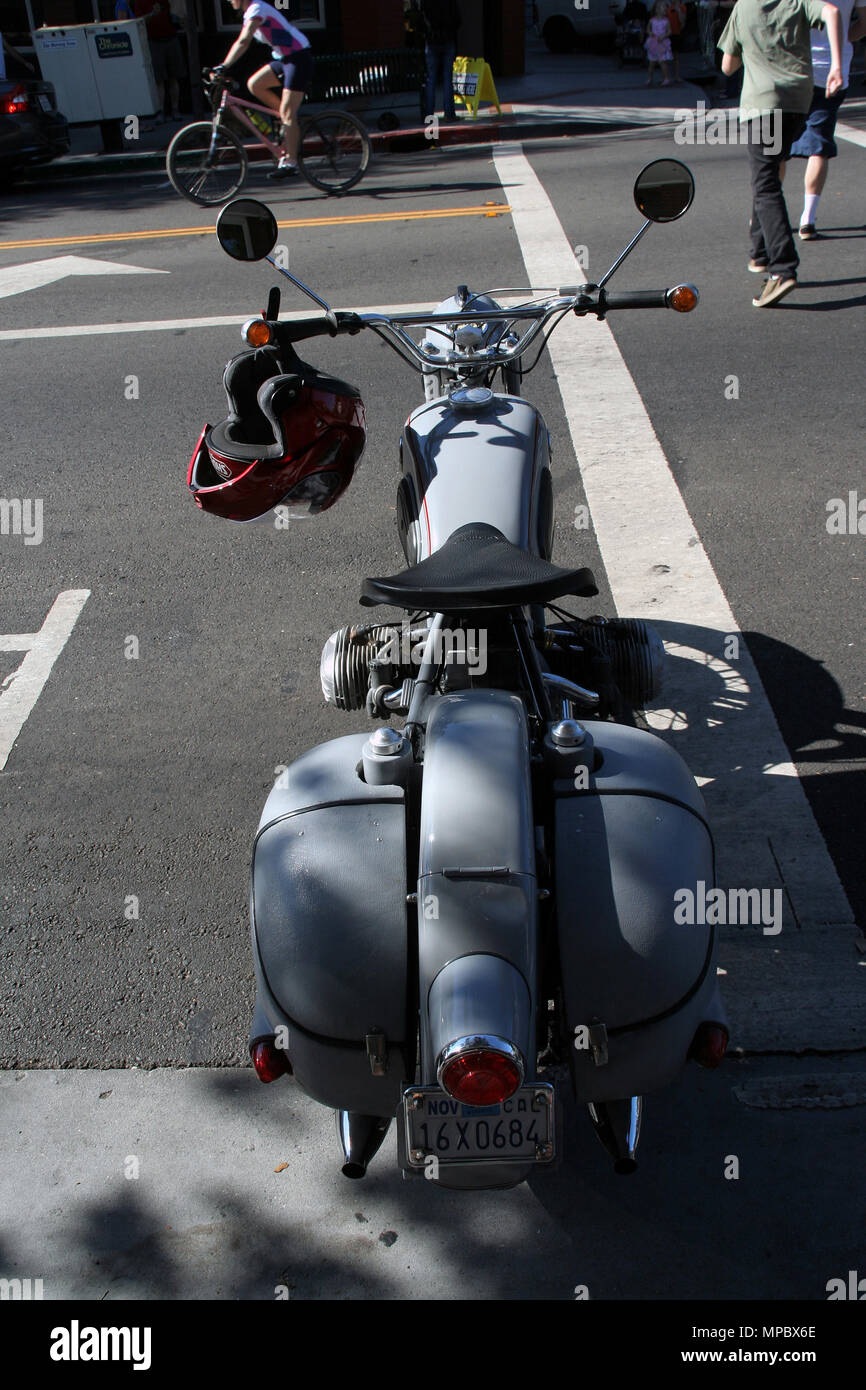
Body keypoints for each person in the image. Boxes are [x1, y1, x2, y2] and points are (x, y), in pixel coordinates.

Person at [718, 0, 843, 307]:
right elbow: (833, 12)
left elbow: (727, 65)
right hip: (798, 103)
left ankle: (782, 269)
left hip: (764, 107)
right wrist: (837, 65)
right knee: (769, 176)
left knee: (765, 185)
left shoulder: (743, 8)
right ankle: (759, 254)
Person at [789, 2, 866, 237]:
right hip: (832, 71)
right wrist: (842, 40)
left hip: (794, 68)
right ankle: (808, 218)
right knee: (819, 144)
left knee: (776, 146)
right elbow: (864, 24)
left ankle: (764, 214)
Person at [211, 0, 311, 179]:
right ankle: (287, 119)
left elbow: (243, 41)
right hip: (283, 59)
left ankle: (291, 163)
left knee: (288, 114)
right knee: (255, 84)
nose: (229, 1)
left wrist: (224, 66)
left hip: (298, 58)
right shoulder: (250, 12)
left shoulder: (256, 9)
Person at [412, 0, 461, 125]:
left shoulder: (425, 2)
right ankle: (449, 114)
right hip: (447, 40)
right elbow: (458, 20)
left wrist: (427, 32)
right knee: (447, 78)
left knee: (431, 79)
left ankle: (429, 115)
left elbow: (419, 21)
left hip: (432, 41)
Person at [136, 0, 184, 121]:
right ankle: (160, 111)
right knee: (159, 79)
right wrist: (152, 14)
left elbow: (177, 12)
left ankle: (175, 109)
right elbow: (138, 22)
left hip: (171, 38)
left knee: (174, 76)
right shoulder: (139, 2)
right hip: (154, 41)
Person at [645, 0, 674, 85]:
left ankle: (665, 78)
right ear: (657, 10)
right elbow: (648, 29)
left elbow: (669, 31)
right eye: (663, 7)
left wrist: (664, 35)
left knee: (663, 62)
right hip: (654, 43)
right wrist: (650, 33)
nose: (665, 8)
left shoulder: (666, 21)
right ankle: (650, 78)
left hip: (662, 43)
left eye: (665, 7)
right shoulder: (652, 20)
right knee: (651, 63)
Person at [666, 0, 687, 80]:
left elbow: (682, 22)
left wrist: (678, 10)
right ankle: (666, 76)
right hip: (668, 34)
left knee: (676, 56)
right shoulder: (667, 7)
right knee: (667, 56)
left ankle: (676, 75)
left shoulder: (682, 7)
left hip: (677, 33)